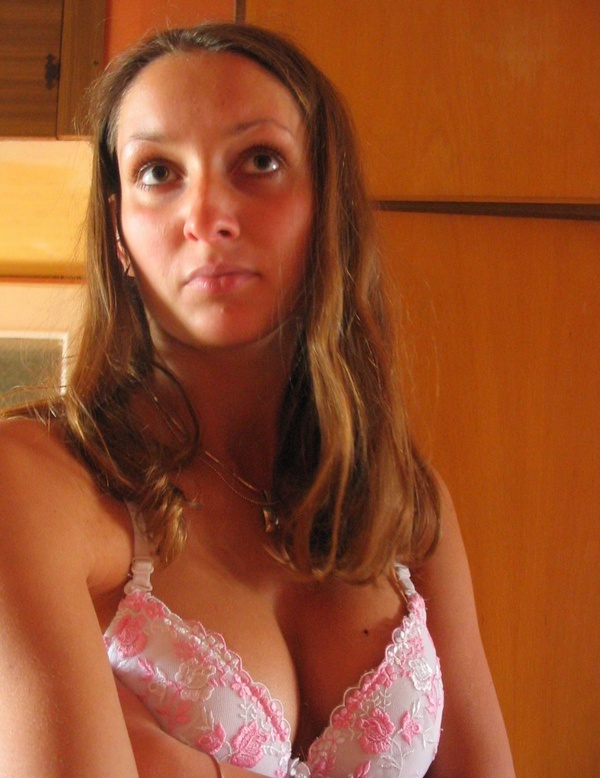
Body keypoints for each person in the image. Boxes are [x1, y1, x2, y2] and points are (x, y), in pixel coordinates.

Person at [0, 21, 515, 778]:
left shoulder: (404, 502)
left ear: (325, 203)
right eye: (157, 172)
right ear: (117, 229)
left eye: (260, 161)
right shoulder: (30, 484)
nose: (207, 215)